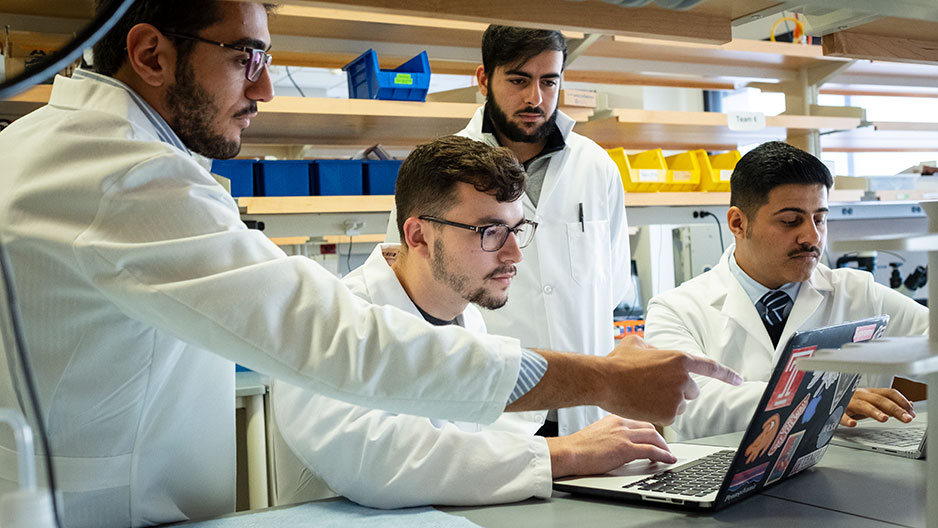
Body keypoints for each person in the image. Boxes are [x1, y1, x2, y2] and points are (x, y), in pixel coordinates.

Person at [0, 2, 740, 527]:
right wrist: (603, 379)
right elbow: (334, 342)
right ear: (151, 54)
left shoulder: (80, 151)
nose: (262, 88)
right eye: (245, 56)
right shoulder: (116, 172)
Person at [271, 136, 675, 508]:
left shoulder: (467, 318)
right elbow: (376, 461)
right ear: (418, 236)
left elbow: (473, 439)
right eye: (491, 231)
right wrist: (565, 451)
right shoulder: (330, 320)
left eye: (517, 229)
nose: (515, 254)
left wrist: (609, 446)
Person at [386, 25, 630, 437]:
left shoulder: (596, 166)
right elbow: (408, 287)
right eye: (518, 80)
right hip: (491, 414)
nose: (535, 98)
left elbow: (614, 282)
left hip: (587, 412)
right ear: (484, 79)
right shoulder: (437, 172)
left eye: (548, 81)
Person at [643, 141, 928, 441]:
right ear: (738, 223)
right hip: (721, 479)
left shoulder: (859, 293)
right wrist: (820, 399)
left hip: (846, 476)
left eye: (819, 218)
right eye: (791, 221)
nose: (812, 236)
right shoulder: (675, 309)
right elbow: (691, 405)